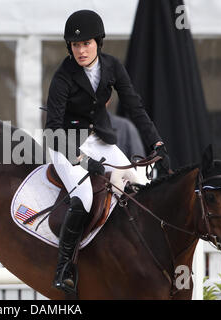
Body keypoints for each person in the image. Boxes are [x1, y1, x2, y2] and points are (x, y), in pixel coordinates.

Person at [44, 9, 170, 294]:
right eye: (76, 45)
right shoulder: (63, 76)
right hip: (67, 144)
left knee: (141, 182)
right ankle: (64, 268)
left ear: (98, 43)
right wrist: (84, 162)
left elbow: (135, 107)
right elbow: (52, 129)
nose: (81, 50)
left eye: (86, 43)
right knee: (85, 197)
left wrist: (157, 142)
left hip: (101, 140)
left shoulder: (112, 67)